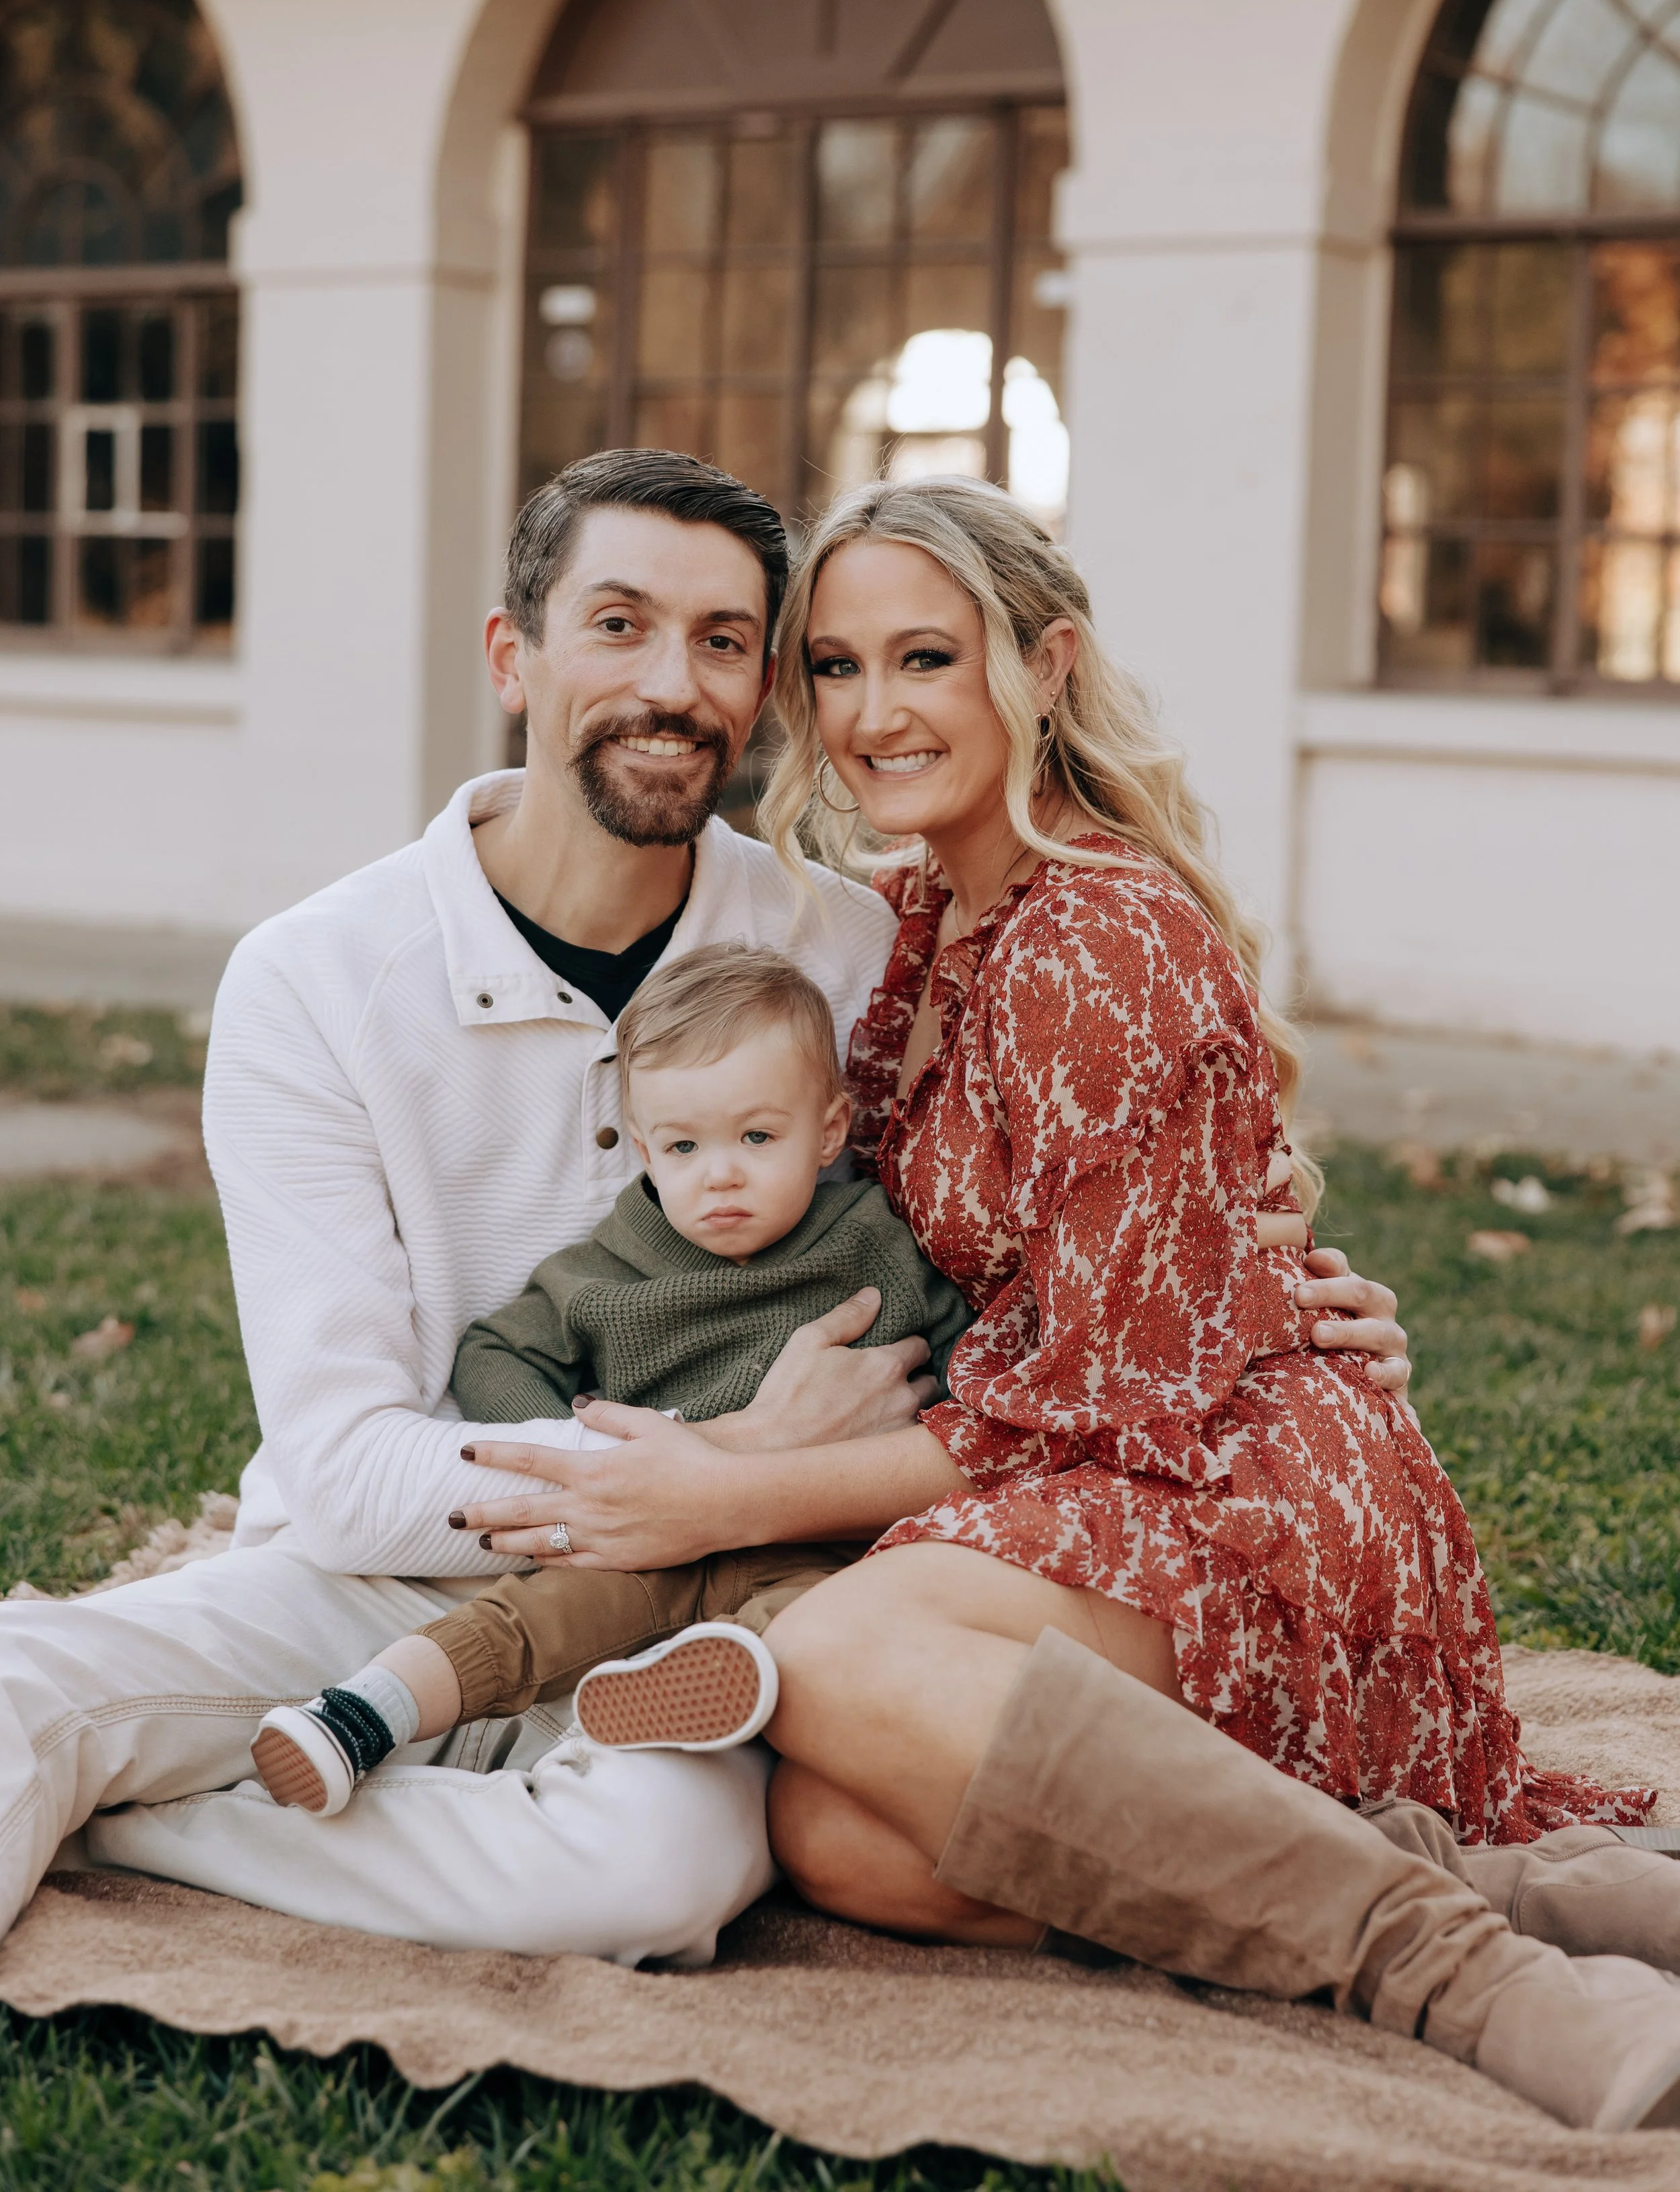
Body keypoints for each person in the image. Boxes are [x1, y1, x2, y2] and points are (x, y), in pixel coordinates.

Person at [40, 444, 1402, 1969]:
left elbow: (1047, 1228)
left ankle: (155, 1824)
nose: (669, 684)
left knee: (655, 1876)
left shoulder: (845, 951)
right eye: (616, 625)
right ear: (515, 655)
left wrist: (1279, 1325)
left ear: (760, 695)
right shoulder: (314, 976)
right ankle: (203, 1749)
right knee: (38, 1686)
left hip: (724, 1618)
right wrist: (723, 1461)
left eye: (724, 643)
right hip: (383, 1561)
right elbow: (350, 1471)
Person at [446, 476, 1680, 2131]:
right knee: (844, 1840)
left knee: (839, 1653)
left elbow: (1093, 1393)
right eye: (833, 667)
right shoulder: (906, 922)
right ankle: (1499, 1890)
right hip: (1076, 1460)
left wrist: (723, 1492)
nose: (872, 714)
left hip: (1227, 1482)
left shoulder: (1098, 936)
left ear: (1042, 666)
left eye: (925, 660)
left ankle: (1473, 1980)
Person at [245, 943, 969, 1817]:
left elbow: (972, 1376)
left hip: (816, 1543)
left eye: (757, 1136)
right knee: (532, 1616)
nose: (721, 1171)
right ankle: (362, 1712)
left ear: (830, 1129)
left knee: (814, 1635)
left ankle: (674, 1696)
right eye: (685, 1144)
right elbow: (495, 1353)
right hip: (644, 1537)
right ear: (646, 1151)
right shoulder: (610, 1269)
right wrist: (586, 1456)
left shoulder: (876, 1243)